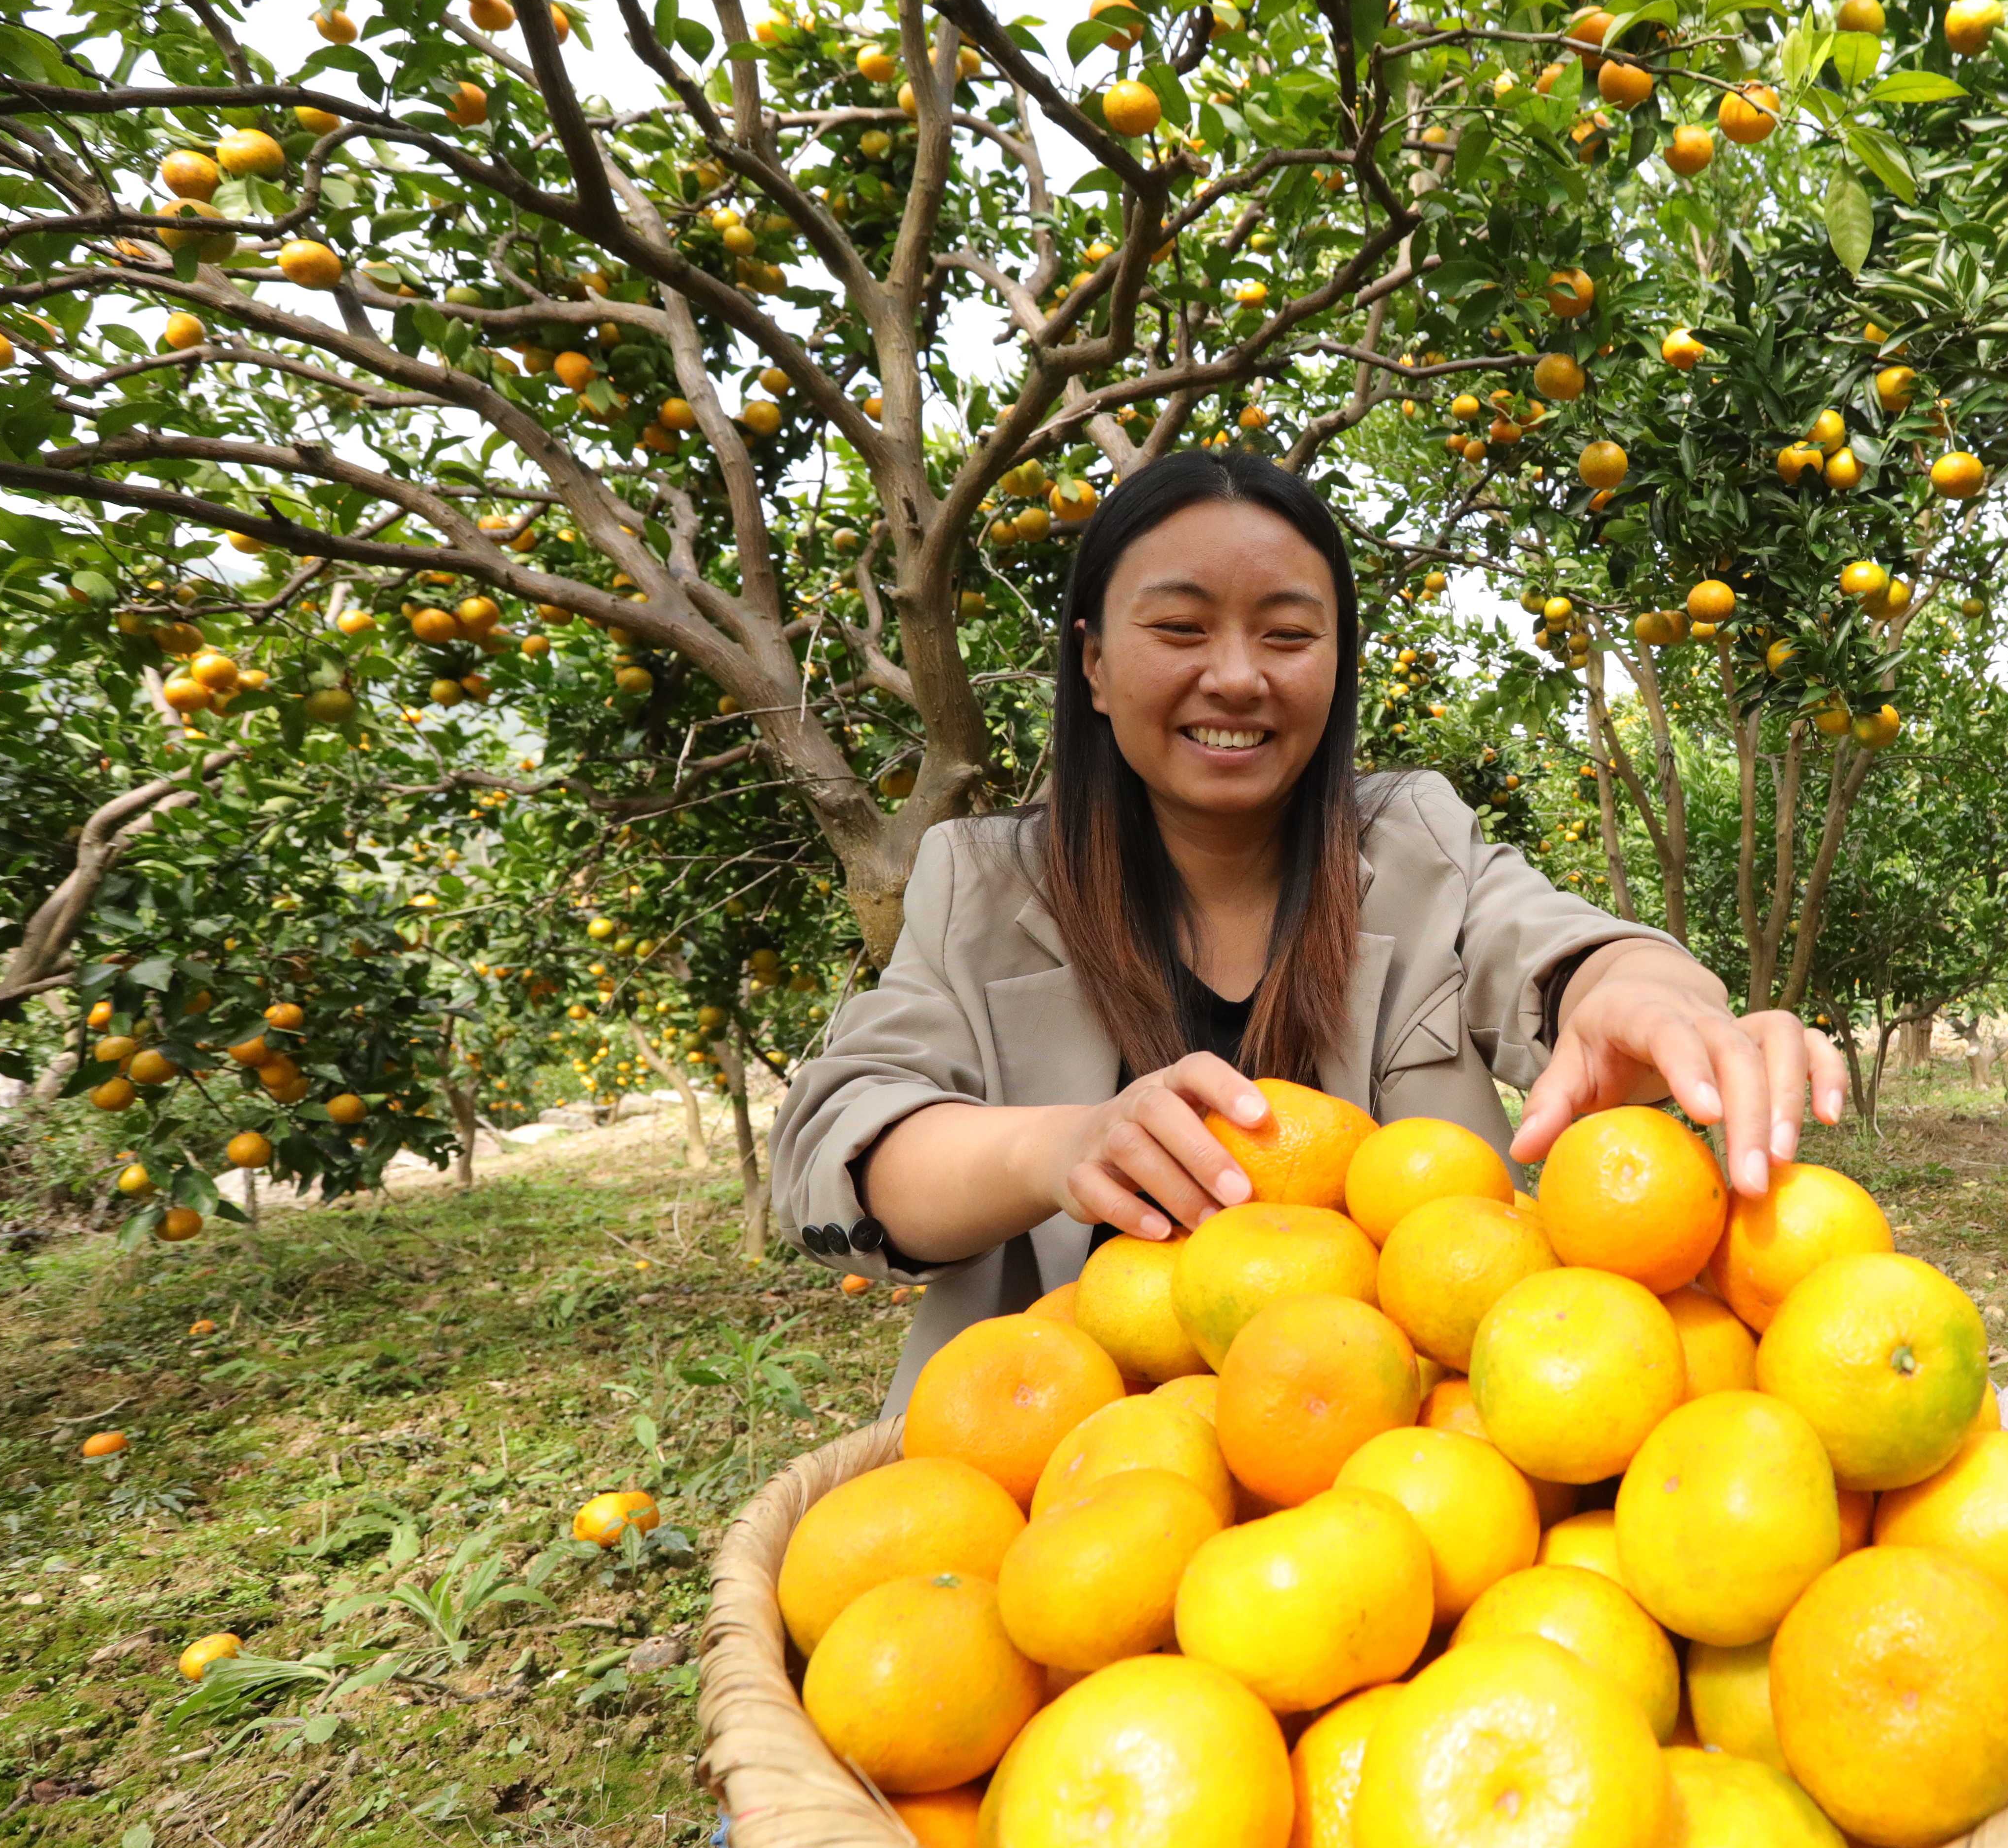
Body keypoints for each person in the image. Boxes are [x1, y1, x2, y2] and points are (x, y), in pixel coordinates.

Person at [769, 450, 1846, 1409]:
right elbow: (840, 1143)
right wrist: (1060, 1146)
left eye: (1288, 634)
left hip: (1398, 1456)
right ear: (1092, 662)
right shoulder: (984, 884)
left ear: (1336, 667)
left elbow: (1560, 946)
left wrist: (1642, 992)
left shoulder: (1415, 842)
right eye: (1181, 627)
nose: (1237, 675)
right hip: (1058, 1473)